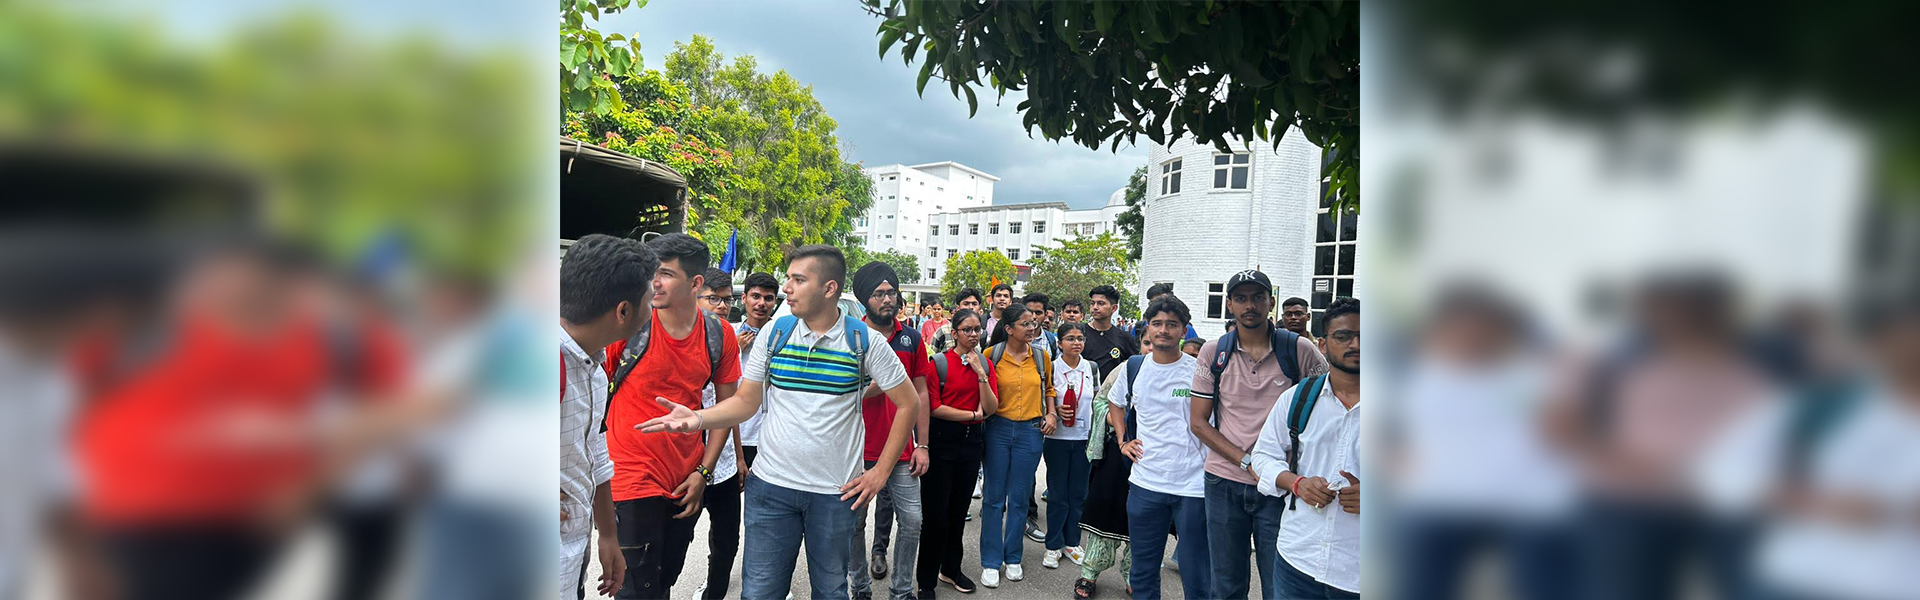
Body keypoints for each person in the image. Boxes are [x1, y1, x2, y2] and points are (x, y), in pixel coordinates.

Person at [73, 238, 408, 600]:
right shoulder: (134, 326)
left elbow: (384, 419)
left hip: (251, 516)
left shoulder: (350, 338)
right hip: (123, 510)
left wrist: (309, 488)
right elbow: (60, 391)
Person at [639, 244, 920, 600]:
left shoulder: (864, 341)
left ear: (829, 288)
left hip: (835, 495)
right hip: (770, 490)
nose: (786, 288)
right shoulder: (776, 333)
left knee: (831, 591)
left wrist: (879, 472)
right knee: (759, 592)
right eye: (788, 278)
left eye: (798, 279)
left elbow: (908, 403)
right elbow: (745, 401)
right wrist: (696, 418)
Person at [600, 234, 742, 599]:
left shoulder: (718, 334)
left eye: (664, 274)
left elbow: (726, 411)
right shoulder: (627, 322)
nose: (653, 283)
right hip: (630, 475)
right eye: (651, 273)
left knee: (664, 579)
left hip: (685, 478)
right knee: (636, 588)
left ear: (695, 284)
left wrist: (703, 473)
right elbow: (595, 389)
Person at [1187, 270, 1330, 600]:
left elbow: (1331, 405)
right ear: (1229, 305)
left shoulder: (1300, 350)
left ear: (1271, 302)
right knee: (1225, 583)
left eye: (1257, 297)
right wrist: (1247, 461)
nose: (1249, 305)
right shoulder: (1213, 353)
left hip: (1281, 485)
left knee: (1278, 581)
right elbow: (1199, 423)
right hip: (1224, 480)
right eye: (1241, 298)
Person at [559, 235, 654, 599]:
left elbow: (594, 451)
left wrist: (608, 535)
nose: (653, 310)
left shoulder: (594, 368)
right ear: (623, 311)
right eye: (649, 300)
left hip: (570, 555)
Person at [1251, 296, 1362, 600]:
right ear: (1323, 345)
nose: (1356, 344)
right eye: (1343, 336)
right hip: (1298, 558)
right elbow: (1263, 455)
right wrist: (1296, 483)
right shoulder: (1299, 398)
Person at [1108, 296, 1211, 600]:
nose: (1163, 330)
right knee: (1143, 569)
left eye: (1172, 324)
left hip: (1193, 485)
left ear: (1184, 330)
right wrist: (1122, 439)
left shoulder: (1200, 371)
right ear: (1148, 329)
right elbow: (1116, 401)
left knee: (1197, 572)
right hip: (1145, 482)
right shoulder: (1135, 367)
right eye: (1157, 324)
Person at [847, 263, 932, 600]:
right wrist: (884, 384)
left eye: (891, 293)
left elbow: (922, 392)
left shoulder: (910, 338)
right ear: (865, 299)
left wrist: (922, 443)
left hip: (901, 450)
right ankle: (860, 588)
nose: (886, 300)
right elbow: (843, 391)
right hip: (856, 450)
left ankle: (902, 590)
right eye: (878, 294)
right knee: (854, 525)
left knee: (912, 522)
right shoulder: (849, 335)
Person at [916, 308, 999, 599]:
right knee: (935, 515)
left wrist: (980, 374)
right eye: (967, 329)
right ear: (954, 333)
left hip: (971, 442)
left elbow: (991, 408)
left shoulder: (986, 365)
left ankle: (951, 568)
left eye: (977, 329)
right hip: (942, 441)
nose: (974, 334)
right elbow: (934, 406)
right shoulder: (938, 363)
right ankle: (926, 579)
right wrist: (971, 414)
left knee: (958, 511)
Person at [977, 304, 1057, 589]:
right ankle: (990, 560)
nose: (1032, 328)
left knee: (1021, 497)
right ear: (1009, 329)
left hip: (1030, 432)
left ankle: (1013, 557)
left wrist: (1051, 413)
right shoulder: (991, 355)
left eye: (1033, 323)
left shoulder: (1041, 356)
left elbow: (1049, 388)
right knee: (994, 497)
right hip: (998, 428)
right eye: (1025, 324)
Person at [692, 269, 749, 600]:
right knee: (674, 542)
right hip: (685, 464)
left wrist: (740, 457)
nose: (722, 305)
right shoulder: (681, 339)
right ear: (695, 296)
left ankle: (714, 592)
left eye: (727, 299)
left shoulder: (728, 339)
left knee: (727, 541)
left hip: (725, 465)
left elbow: (733, 406)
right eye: (714, 298)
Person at [1074, 363, 1136, 600]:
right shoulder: (1128, 369)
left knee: (1146, 518)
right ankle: (1089, 573)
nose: (1152, 347)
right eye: (1147, 342)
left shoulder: (1178, 372)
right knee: (1104, 509)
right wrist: (1118, 420)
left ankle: (1136, 575)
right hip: (1118, 451)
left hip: (1158, 459)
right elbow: (1100, 402)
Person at [1043, 323, 1098, 570]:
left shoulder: (1092, 368)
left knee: (1078, 493)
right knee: (1057, 494)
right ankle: (1053, 544)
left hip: (1084, 437)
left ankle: (1072, 542)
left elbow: (1097, 400)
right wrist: (1053, 410)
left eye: (1080, 338)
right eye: (1070, 338)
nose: (1076, 343)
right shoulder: (1052, 367)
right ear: (1059, 342)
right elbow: (1044, 398)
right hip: (1058, 438)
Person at [733, 273, 781, 480]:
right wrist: (734, 349)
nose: (761, 303)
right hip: (734, 431)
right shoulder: (729, 334)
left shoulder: (784, 336)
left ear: (775, 302)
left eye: (768, 298)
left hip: (769, 435)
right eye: (755, 296)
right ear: (744, 298)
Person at [1083, 285, 1142, 378]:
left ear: (1113, 308)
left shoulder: (1124, 338)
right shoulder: (1079, 333)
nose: (1095, 307)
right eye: (1092, 303)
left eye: (1100, 303)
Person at [1133, 283, 1199, 341]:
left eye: (1171, 325)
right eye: (1156, 324)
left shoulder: (1188, 330)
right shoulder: (1138, 328)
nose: (1163, 331)